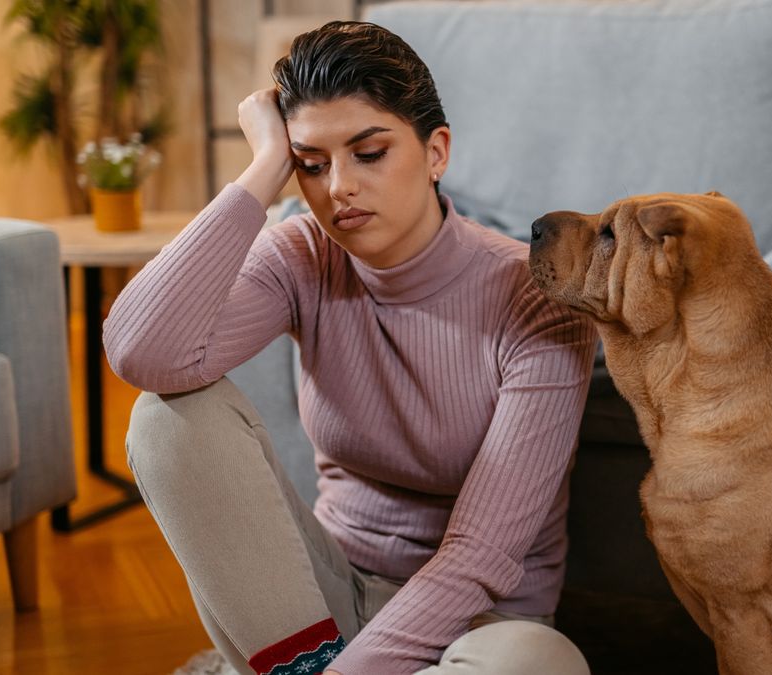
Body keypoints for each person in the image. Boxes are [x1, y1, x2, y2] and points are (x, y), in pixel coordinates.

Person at [103, 20, 597, 675]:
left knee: (540, 663)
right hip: (321, 608)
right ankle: (300, 665)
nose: (338, 188)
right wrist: (261, 172)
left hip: (477, 626)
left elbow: (481, 553)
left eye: (369, 152)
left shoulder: (536, 297)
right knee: (166, 418)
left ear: (436, 152)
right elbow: (142, 352)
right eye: (311, 164)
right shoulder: (303, 254)